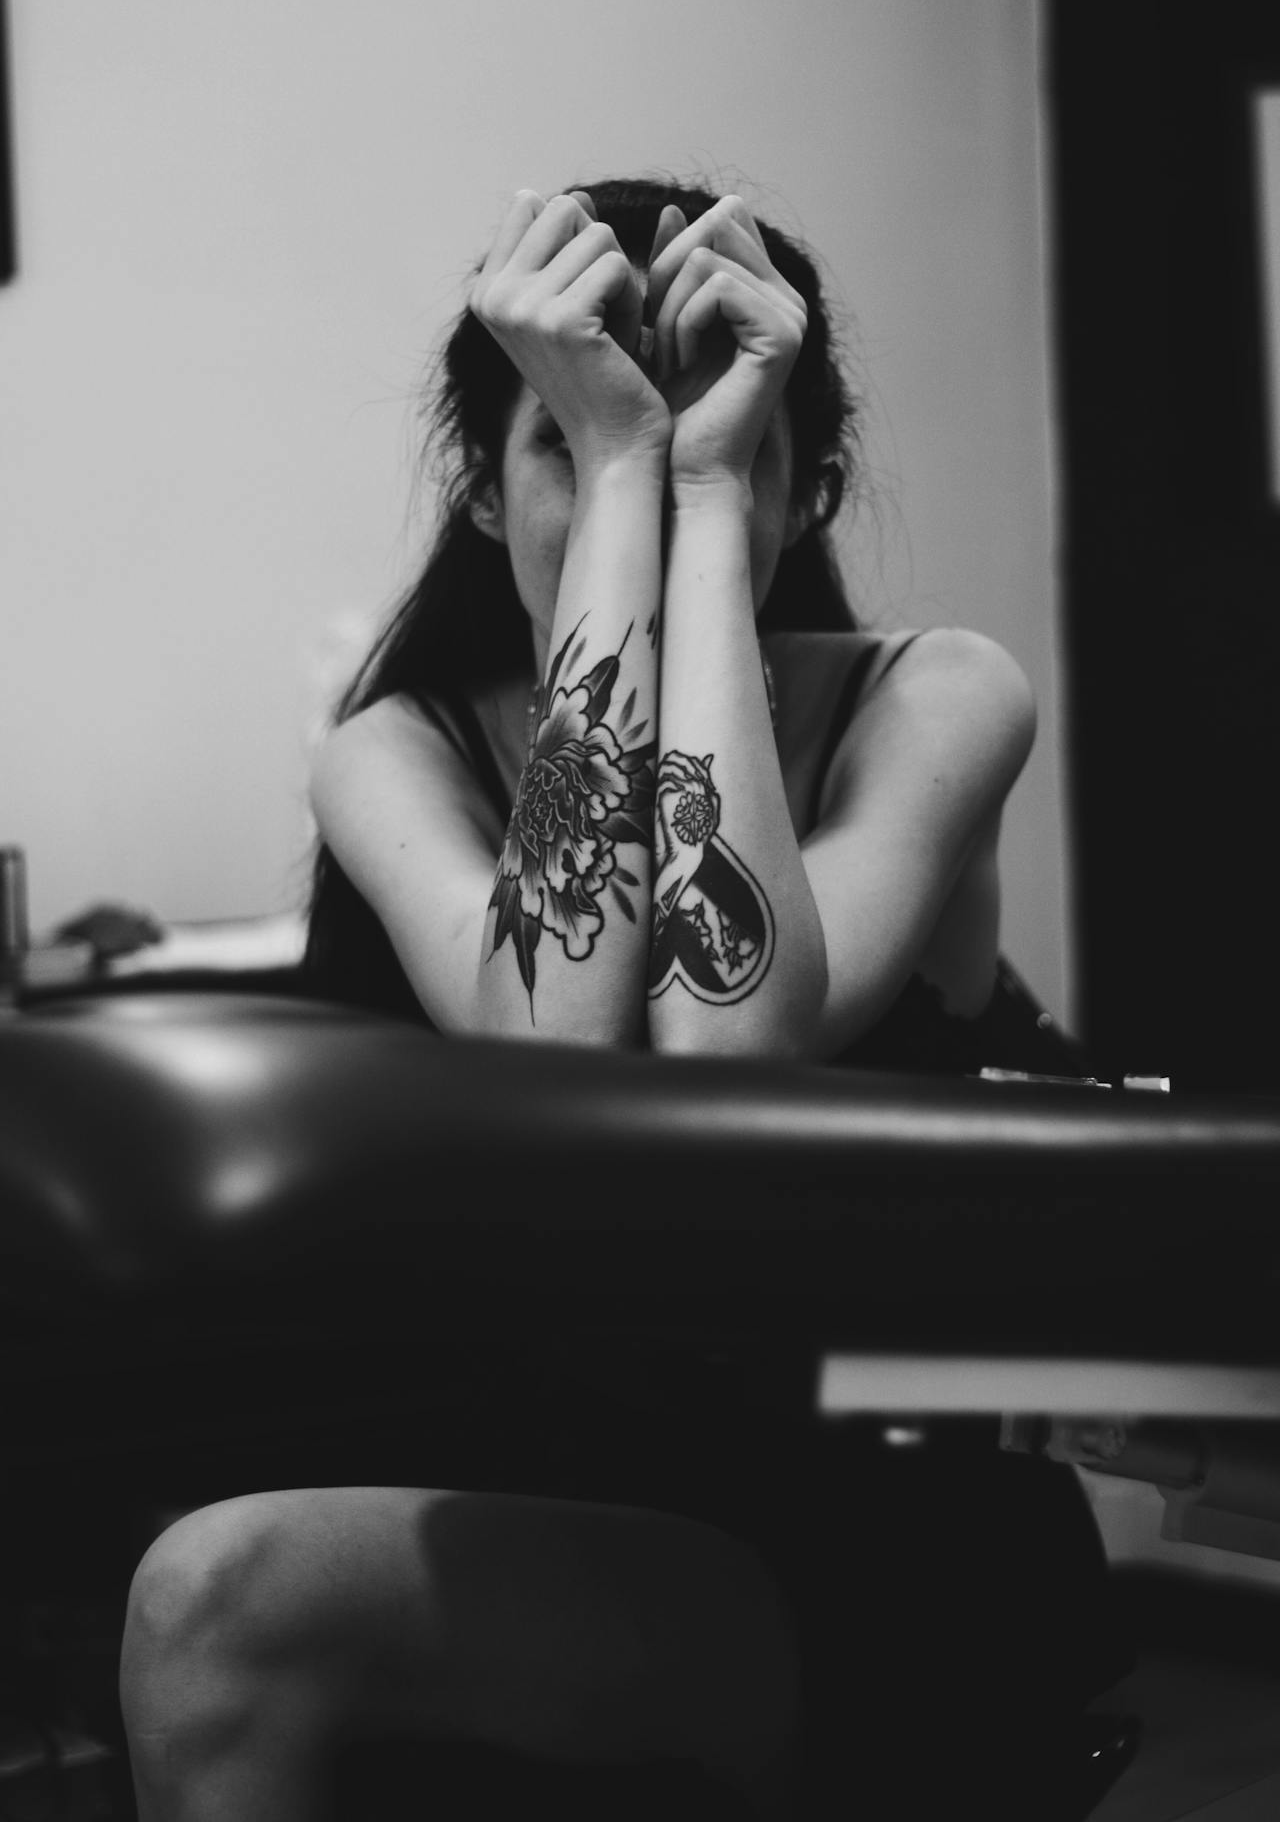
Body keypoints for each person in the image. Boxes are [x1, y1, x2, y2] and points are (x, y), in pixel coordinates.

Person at [118, 177, 1124, 1821]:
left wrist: (692, 483)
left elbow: (727, 1039)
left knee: (217, 1600)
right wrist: (633, 461)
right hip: (564, 1495)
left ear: (806, 486)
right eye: (570, 443)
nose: (630, 486)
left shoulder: (936, 696)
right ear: (481, 485)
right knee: (205, 1589)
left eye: (720, 436)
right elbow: (554, 1038)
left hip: (873, 1548)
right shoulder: (398, 749)